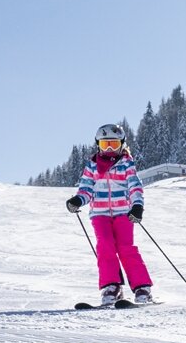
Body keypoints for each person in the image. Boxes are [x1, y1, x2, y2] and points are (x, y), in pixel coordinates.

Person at [65, 123, 153, 306]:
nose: (111, 149)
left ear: (122, 144)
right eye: (106, 145)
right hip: (99, 214)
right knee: (105, 246)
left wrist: (137, 206)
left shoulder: (127, 164)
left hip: (123, 212)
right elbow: (86, 189)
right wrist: (77, 200)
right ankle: (111, 286)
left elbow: (135, 186)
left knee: (125, 247)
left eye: (114, 144)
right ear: (98, 145)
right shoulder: (92, 166)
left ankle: (142, 287)